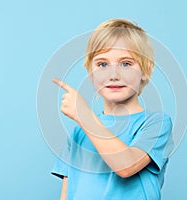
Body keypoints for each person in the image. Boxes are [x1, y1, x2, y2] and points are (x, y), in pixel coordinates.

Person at [51, 18, 172, 200]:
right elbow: (67, 194)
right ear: (91, 73)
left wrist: (85, 116)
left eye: (126, 64)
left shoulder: (156, 123)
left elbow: (126, 165)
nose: (114, 75)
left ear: (146, 70)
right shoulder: (79, 132)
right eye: (102, 64)